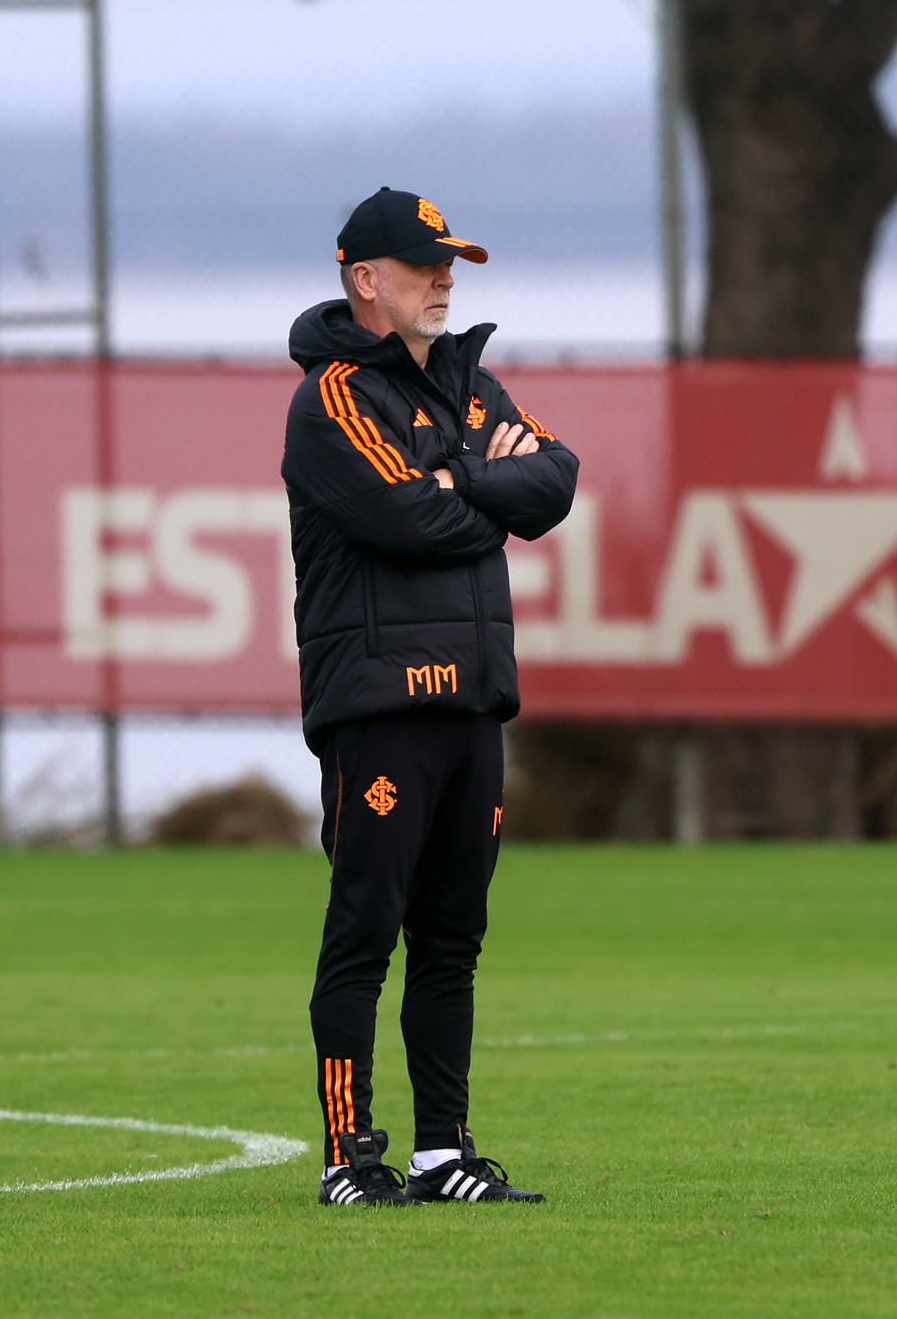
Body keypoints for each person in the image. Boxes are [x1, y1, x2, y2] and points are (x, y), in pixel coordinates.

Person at [282, 188, 578, 1208]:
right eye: (423, 263)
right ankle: (345, 1158)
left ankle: (441, 1155)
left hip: (470, 702)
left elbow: (554, 480)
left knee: (452, 941)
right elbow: (409, 517)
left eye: (450, 261)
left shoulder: (467, 382)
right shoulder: (330, 399)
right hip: (379, 705)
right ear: (366, 279)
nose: (445, 277)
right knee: (364, 931)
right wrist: (466, 483)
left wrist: (456, 479)